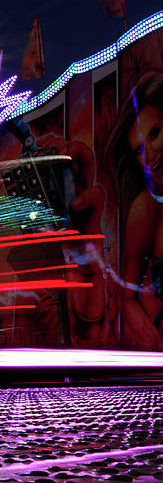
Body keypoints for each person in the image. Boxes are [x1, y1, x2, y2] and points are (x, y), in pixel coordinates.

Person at [105, 71, 163, 348]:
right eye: (139, 150)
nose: (149, 156)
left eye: (155, 134)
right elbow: (127, 296)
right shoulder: (147, 209)